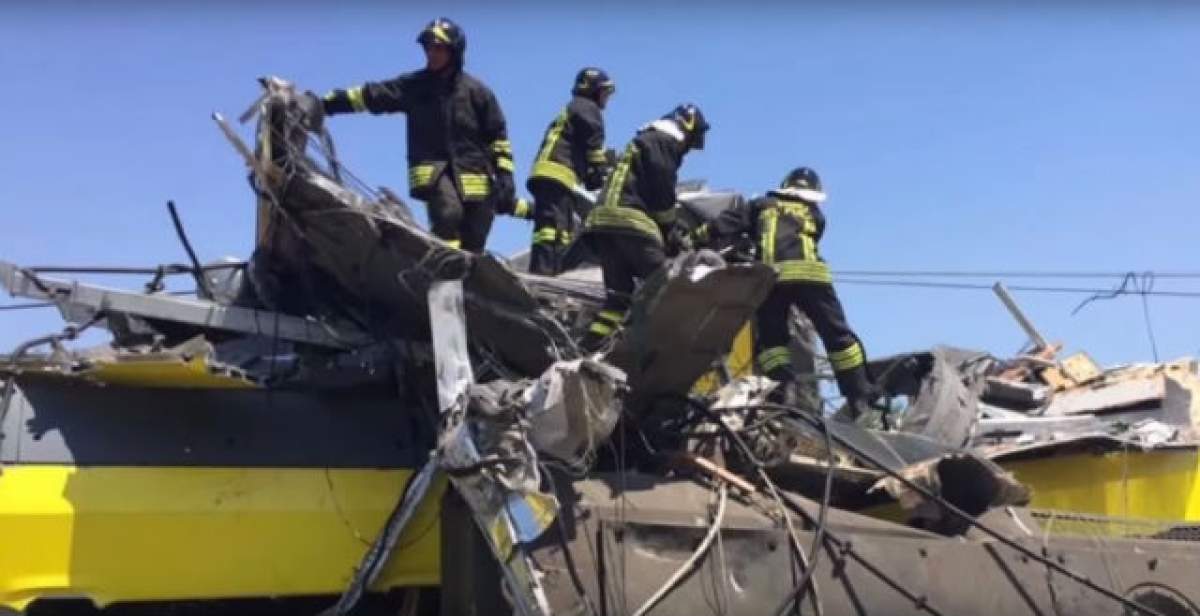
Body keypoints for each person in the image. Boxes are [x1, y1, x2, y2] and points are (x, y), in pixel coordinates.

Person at [320, 17, 516, 252]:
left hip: (476, 179)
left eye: (438, 48)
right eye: (428, 48)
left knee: (475, 238)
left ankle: (462, 271)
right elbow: (372, 95)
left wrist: (505, 176)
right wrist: (327, 103)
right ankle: (445, 269)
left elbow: (498, 137)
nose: (431, 54)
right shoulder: (414, 86)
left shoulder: (478, 93)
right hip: (434, 172)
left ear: (454, 52)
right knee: (448, 214)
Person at [691, 167, 875, 417]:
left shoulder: (759, 205)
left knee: (772, 342)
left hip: (773, 277)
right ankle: (858, 396)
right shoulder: (816, 215)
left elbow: (726, 225)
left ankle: (783, 393)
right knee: (837, 336)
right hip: (812, 276)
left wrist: (696, 236)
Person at [578, 103, 710, 351]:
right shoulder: (664, 140)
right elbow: (662, 188)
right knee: (665, 286)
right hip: (630, 220)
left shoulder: (645, 140)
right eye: (692, 141)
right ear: (686, 126)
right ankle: (656, 349)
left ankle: (587, 348)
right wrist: (670, 230)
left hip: (603, 225)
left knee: (618, 298)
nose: (689, 148)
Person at [523, 67, 616, 275]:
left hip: (553, 175)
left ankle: (551, 272)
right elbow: (593, 143)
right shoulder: (587, 108)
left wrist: (591, 174)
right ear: (593, 91)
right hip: (557, 174)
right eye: (604, 92)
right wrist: (600, 173)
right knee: (552, 231)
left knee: (560, 230)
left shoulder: (575, 107)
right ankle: (543, 275)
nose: (606, 99)